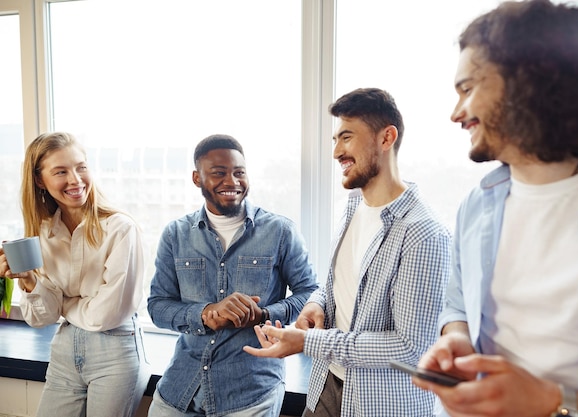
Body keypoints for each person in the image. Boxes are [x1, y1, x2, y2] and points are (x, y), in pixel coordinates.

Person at [412, 1, 578, 416]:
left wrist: (555, 403)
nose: (456, 113)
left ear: (531, 80)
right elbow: (457, 304)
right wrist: (457, 338)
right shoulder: (476, 206)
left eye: (468, 88)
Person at [244, 88, 452, 416]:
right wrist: (316, 303)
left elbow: (410, 349)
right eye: (335, 140)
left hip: (383, 405)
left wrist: (307, 342)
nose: (337, 152)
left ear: (386, 138)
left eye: (347, 137)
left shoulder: (423, 233)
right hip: (327, 385)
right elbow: (336, 285)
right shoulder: (351, 207)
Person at [147, 134, 318, 417]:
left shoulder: (280, 231)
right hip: (180, 389)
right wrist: (205, 313)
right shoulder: (175, 234)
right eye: (219, 173)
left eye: (239, 172)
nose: (232, 181)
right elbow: (158, 306)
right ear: (196, 177)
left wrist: (263, 315)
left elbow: (311, 295)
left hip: (250, 392)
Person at [0, 132, 150, 417]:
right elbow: (42, 317)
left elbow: (106, 315)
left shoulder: (121, 229)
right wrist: (30, 281)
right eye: (61, 171)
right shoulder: (43, 233)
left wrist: (64, 305)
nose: (76, 179)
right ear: (39, 180)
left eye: (81, 167)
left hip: (115, 352)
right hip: (64, 352)